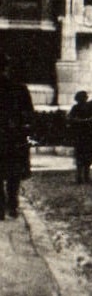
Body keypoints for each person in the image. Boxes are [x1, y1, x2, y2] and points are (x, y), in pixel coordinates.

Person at [0, 53, 33, 219]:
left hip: (8, 136)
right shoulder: (19, 89)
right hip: (14, 137)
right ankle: (12, 205)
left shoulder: (19, 88)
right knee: (13, 173)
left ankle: (1, 207)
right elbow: (28, 114)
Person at [68, 91, 92, 185]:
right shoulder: (78, 107)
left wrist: (81, 121)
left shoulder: (89, 107)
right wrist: (86, 121)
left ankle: (83, 177)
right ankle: (82, 177)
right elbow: (71, 118)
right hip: (84, 135)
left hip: (85, 135)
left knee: (84, 156)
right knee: (83, 156)